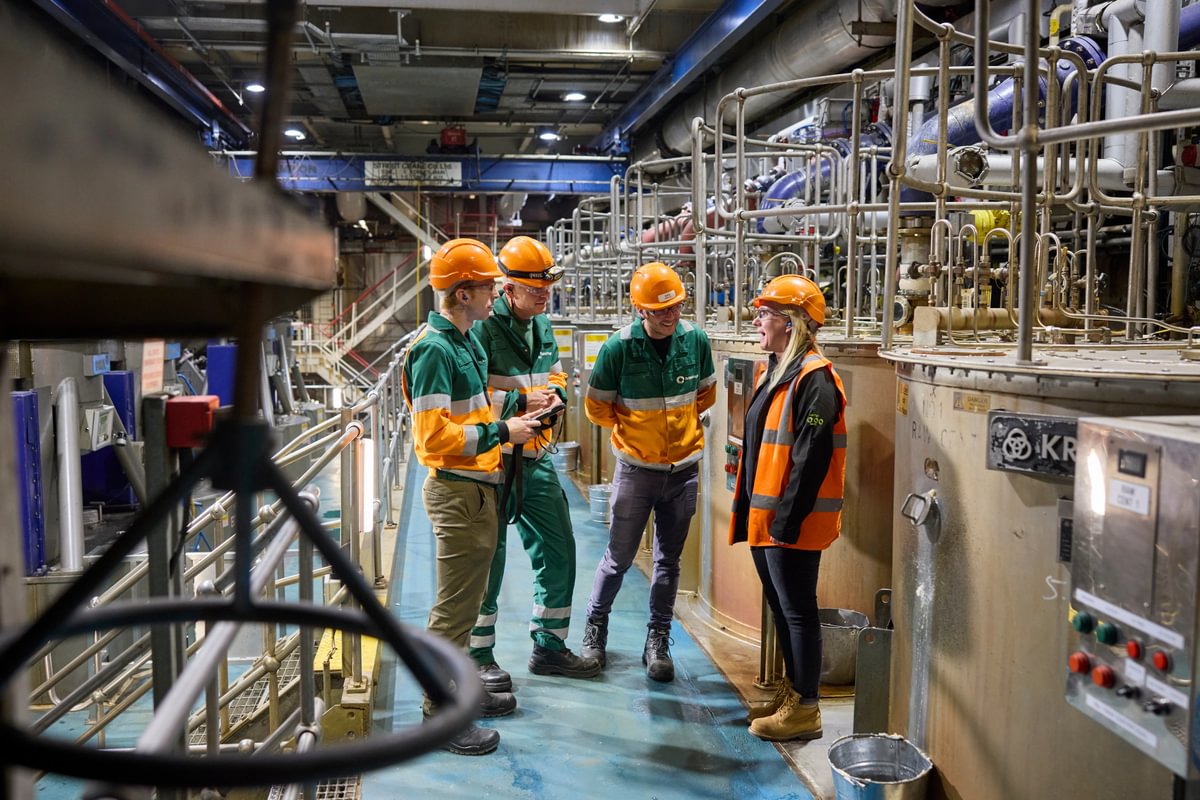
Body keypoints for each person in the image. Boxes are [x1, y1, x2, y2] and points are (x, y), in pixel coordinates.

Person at [401, 238, 541, 756]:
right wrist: (504, 433)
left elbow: (473, 408)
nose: (496, 295)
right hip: (457, 492)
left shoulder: (464, 341)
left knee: (466, 603)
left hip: (478, 488)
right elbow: (433, 436)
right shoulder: (435, 349)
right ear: (462, 294)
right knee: (454, 610)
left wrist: (518, 406)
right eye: (488, 288)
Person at [468, 236, 601, 691]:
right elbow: (471, 397)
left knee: (559, 547)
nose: (545, 294)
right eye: (535, 287)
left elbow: (556, 372)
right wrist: (521, 402)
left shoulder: (542, 324)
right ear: (507, 289)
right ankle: (478, 655)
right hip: (493, 461)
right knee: (489, 559)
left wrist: (557, 393)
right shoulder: (482, 329)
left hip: (536, 458)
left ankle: (549, 645)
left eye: (548, 286)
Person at [580, 262, 717, 682]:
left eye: (675, 307)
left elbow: (706, 394)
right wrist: (637, 434)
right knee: (618, 558)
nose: (670, 316)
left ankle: (658, 639)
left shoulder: (695, 340)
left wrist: (677, 434)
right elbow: (596, 408)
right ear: (641, 310)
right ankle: (595, 628)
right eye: (660, 311)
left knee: (668, 562)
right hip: (636, 471)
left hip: (683, 471)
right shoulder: (618, 349)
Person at [728, 274, 847, 742]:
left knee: (798, 612)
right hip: (767, 518)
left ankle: (806, 708)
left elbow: (812, 453)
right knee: (781, 608)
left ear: (792, 323)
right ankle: (792, 694)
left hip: (789, 522)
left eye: (766, 314)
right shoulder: (775, 371)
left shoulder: (816, 379)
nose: (757, 321)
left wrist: (788, 520)